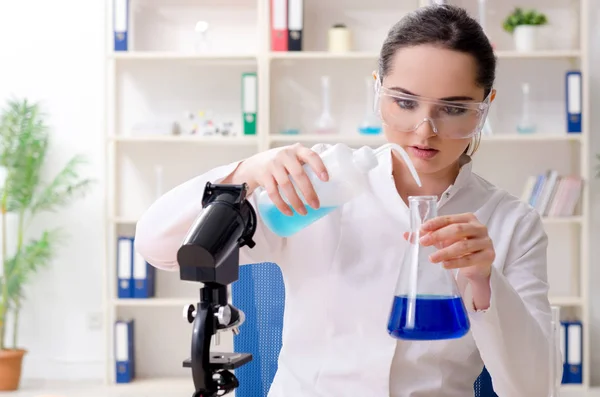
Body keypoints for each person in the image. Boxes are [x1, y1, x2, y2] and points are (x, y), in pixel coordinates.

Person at [135, 4, 554, 397]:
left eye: (454, 108)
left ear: (485, 107)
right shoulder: (322, 182)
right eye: (405, 102)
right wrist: (245, 173)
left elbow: (535, 388)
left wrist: (485, 283)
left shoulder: (511, 223)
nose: (425, 131)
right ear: (378, 90)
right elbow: (159, 248)